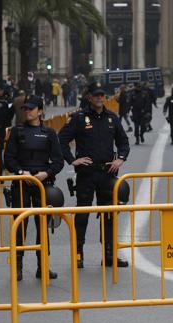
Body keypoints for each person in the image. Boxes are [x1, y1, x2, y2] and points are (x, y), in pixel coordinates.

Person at [58, 83, 130, 269]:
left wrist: (120, 160)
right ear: (89, 97)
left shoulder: (112, 118)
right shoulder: (79, 118)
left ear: (104, 97)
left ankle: (108, 255)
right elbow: (61, 140)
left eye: (101, 95)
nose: (99, 98)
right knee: (82, 214)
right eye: (95, 95)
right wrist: (73, 160)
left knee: (108, 214)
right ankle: (78, 253)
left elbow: (123, 142)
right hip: (86, 174)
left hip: (107, 173)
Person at [4, 95, 64, 281]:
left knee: (42, 227)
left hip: (42, 184)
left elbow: (58, 161)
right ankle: (18, 267)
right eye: (25, 109)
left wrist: (46, 174)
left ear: (40, 111)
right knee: (20, 225)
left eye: (31, 109)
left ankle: (43, 266)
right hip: (21, 183)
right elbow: (8, 159)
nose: (27, 112)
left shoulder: (49, 133)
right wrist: (21, 172)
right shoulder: (16, 131)